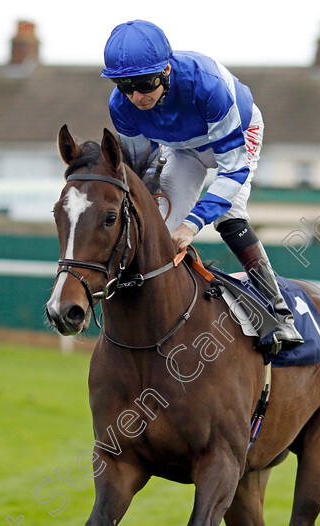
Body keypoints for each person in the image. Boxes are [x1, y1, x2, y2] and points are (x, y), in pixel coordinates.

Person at [100, 19, 303, 352]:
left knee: (229, 214)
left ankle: (279, 314)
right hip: (182, 149)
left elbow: (232, 170)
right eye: (125, 86)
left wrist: (192, 225)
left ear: (165, 70)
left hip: (237, 134)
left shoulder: (206, 86)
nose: (137, 96)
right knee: (161, 224)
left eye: (145, 83)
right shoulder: (120, 106)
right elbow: (142, 170)